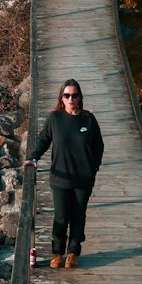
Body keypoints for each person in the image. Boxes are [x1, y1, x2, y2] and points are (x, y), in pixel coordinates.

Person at [25, 80, 104, 268]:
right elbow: (43, 140)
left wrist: (94, 167)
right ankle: (57, 253)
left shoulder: (88, 119)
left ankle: (73, 252)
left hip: (83, 178)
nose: (70, 99)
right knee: (61, 216)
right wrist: (33, 158)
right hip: (60, 178)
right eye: (67, 95)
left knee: (78, 215)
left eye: (74, 95)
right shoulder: (55, 119)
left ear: (80, 98)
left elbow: (98, 146)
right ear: (61, 98)